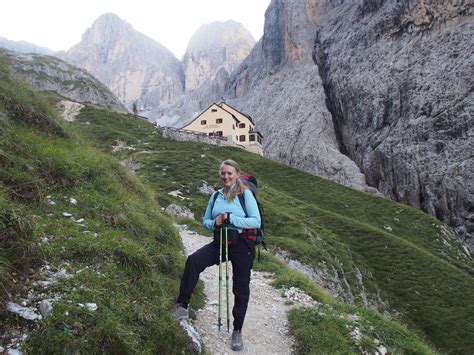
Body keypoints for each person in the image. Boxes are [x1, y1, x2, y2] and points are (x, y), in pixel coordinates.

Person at [172, 159, 261, 351]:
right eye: (223, 173)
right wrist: (216, 223)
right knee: (194, 260)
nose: (226, 177)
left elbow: (255, 221)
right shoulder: (215, 196)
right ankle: (182, 304)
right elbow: (206, 220)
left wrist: (231, 218)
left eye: (230, 173)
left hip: (243, 244)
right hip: (220, 241)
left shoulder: (245, 195)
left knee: (241, 287)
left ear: (237, 174)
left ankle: (237, 331)